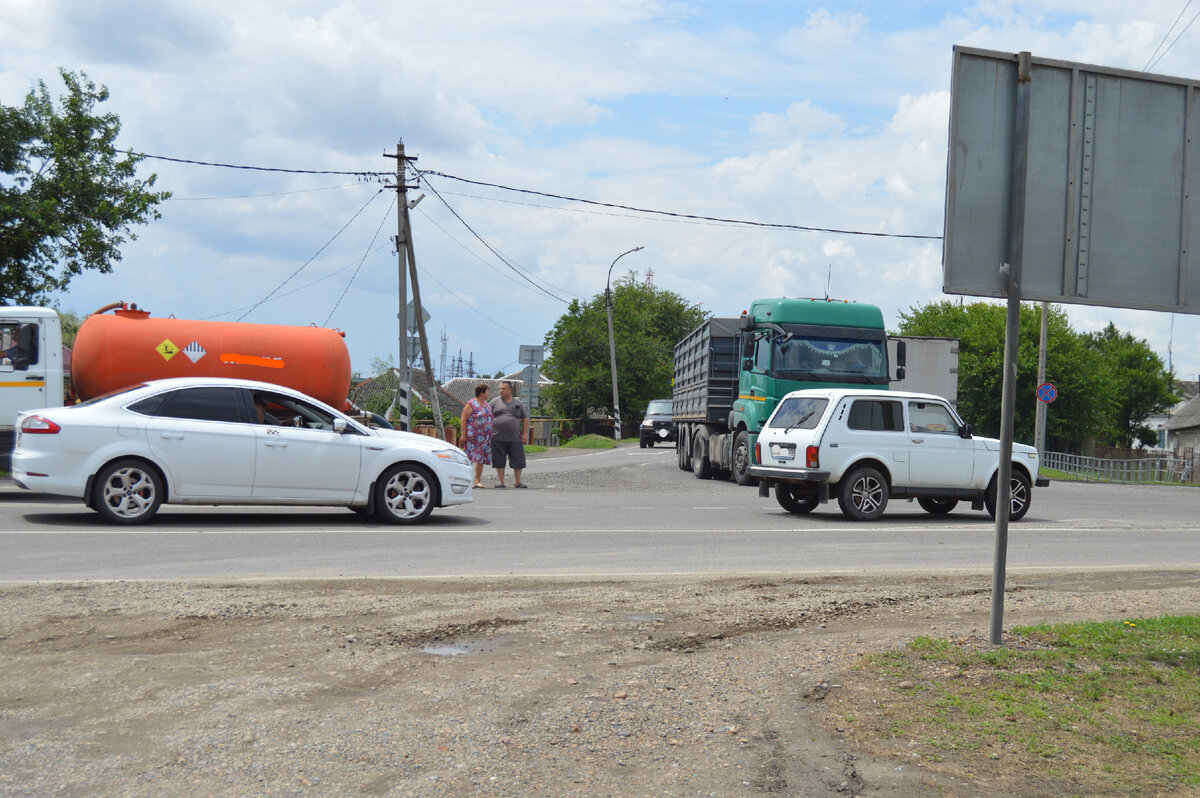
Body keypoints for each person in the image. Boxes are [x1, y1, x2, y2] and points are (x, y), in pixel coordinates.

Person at [489, 380, 529, 488]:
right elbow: (487, 415)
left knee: (518, 459)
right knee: (499, 460)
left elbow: (525, 418)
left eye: (503, 389)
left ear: (510, 390)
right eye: (500, 389)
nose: (501, 391)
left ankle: (517, 481)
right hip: (497, 437)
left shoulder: (517, 403)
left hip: (514, 438)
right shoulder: (494, 402)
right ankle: (501, 481)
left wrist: (525, 434)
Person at [458, 383, 493, 489]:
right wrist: (463, 435)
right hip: (474, 437)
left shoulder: (486, 404)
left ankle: (477, 480)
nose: (488, 393)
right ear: (481, 392)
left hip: (485, 438)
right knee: (470, 458)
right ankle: (466, 479)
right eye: (487, 391)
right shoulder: (471, 404)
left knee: (481, 459)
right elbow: (463, 419)